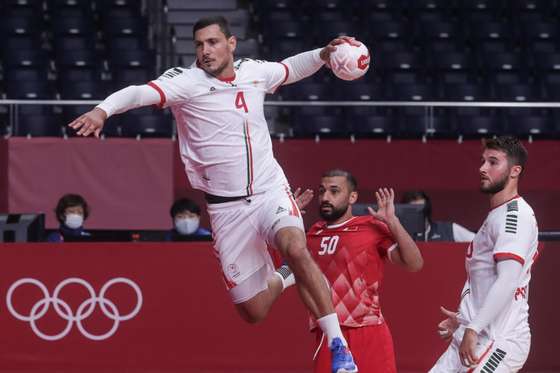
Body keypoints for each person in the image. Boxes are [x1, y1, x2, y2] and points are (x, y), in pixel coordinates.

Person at [68, 16, 360, 372]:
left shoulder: (253, 71)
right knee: (253, 311)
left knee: (296, 247)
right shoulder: (185, 82)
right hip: (227, 210)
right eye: (199, 45)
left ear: (231, 43)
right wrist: (103, 110)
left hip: (270, 190)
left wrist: (324, 53)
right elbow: (138, 93)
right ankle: (285, 274)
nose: (205, 51)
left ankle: (338, 346)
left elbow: (288, 68)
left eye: (212, 43)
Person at [297, 169, 424, 373]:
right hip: (329, 335)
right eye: (322, 191)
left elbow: (414, 263)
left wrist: (393, 222)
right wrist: (289, 221)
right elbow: (283, 272)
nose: (325, 197)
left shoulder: (370, 227)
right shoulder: (311, 234)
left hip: (369, 332)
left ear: (352, 197)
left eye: (334, 191)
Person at [430, 136, 539, 372]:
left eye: (493, 162)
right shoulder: (495, 215)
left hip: (500, 339)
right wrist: (464, 318)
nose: (482, 168)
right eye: (482, 161)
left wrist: (474, 327)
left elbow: (508, 280)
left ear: (514, 171)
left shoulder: (515, 216)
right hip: (473, 332)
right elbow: (483, 280)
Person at [402, 190, 475, 242]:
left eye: (422, 209)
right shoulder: (401, 237)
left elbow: (480, 243)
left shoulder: (449, 230)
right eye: (414, 211)